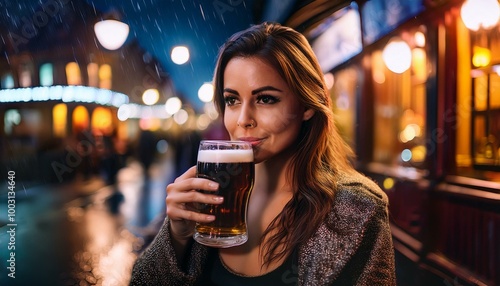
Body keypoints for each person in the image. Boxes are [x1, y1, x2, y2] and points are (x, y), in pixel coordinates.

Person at [130, 22, 396, 285]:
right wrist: (176, 237)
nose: (243, 119)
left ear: (306, 105)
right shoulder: (211, 196)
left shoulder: (357, 209)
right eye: (232, 100)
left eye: (265, 99)